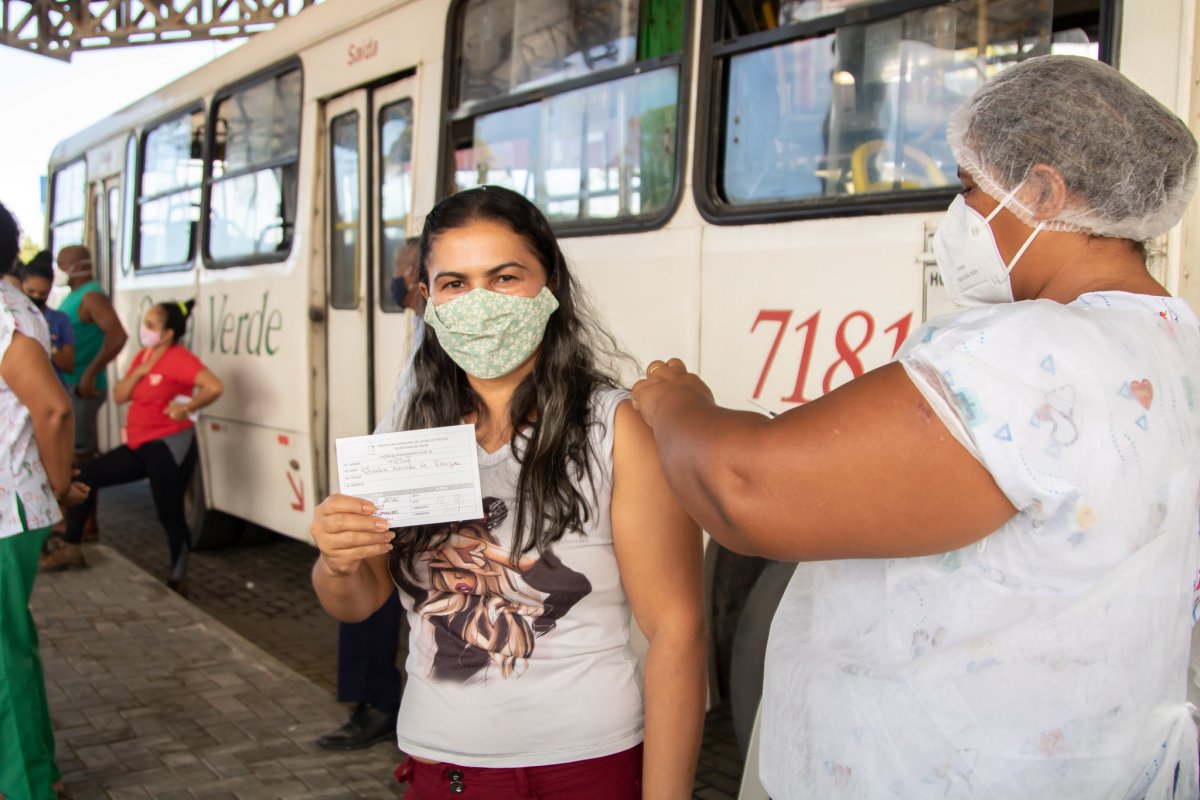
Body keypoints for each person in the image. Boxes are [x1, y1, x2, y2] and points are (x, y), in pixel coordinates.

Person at [631, 54, 1200, 799]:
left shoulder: (1028, 354)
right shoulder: (1177, 340)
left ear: (1043, 190)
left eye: (970, 188)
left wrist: (676, 403)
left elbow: (743, 488)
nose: (958, 216)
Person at [309, 186, 706, 799]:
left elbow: (677, 630)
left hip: (587, 767)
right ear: (428, 302)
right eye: (454, 284)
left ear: (550, 288)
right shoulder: (408, 435)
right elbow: (357, 602)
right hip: (445, 770)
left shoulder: (614, 428)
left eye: (505, 277)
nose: (479, 303)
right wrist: (336, 558)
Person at [316, 238, 425, 753]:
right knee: (362, 571)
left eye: (403, 272)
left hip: (411, 473)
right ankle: (377, 700)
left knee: (374, 576)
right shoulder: (425, 327)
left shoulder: (444, 330)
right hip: (398, 467)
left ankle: (378, 704)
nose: (398, 283)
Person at [42, 301, 224, 595]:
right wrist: (143, 370)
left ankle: (179, 576)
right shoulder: (144, 355)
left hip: (168, 445)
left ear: (167, 334)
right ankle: (72, 548)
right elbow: (118, 395)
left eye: (151, 326)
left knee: (170, 513)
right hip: (139, 444)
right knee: (84, 477)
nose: (144, 330)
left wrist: (187, 407)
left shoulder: (180, 358)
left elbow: (214, 386)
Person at [0, 201, 88, 800]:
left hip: (7, 507)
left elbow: (53, 408)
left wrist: (58, 489)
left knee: (5, 659)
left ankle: (28, 783)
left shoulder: (3, 313)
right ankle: (37, 770)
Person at [56, 245, 127, 542]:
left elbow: (118, 334)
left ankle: (86, 525)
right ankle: (76, 523)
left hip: (83, 388)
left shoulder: (92, 296)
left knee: (84, 458)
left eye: (62, 264)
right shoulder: (74, 297)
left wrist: (90, 371)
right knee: (74, 456)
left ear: (75, 266)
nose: (59, 271)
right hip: (71, 386)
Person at [21, 252, 76, 384]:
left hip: (51, 387)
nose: (36, 297)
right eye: (31, 291)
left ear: (50, 289)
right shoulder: (11, 317)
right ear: (21, 286)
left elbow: (68, 365)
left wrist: (45, 339)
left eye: (42, 293)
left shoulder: (59, 320)